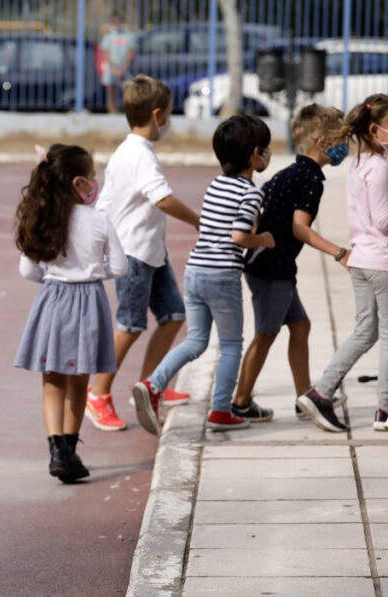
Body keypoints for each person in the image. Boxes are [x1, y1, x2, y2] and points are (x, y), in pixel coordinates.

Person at [133, 114, 276, 435]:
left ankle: (153, 384)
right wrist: (263, 240)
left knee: (196, 340)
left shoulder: (215, 184)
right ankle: (221, 411)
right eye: (265, 149)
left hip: (195, 271)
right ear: (255, 154)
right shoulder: (252, 193)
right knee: (230, 345)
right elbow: (239, 236)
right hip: (222, 275)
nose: (268, 155)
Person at [87, 75, 200, 432]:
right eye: (168, 114)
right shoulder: (138, 154)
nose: (169, 121)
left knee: (173, 314)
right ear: (156, 115)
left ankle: (152, 386)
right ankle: (97, 393)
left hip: (152, 252)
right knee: (130, 325)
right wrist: (200, 221)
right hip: (133, 253)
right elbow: (162, 198)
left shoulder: (130, 152)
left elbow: (106, 200)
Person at [14, 143, 128, 482]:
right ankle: (70, 448)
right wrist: (93, 272)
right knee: (79, 380)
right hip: (89, 300)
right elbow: (119, 267)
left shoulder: (44, 218)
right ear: (80, 183)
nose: (96, 182)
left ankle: (56, 451)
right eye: (93, 176)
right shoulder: (98, 221)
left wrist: (53, 277)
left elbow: (27, 270)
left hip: (52, 300)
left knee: (52, 381)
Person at [232, 104, 350, 429]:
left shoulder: (289, 173)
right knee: (265, 335)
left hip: (270, 266)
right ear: (322, 142)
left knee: (300, 326)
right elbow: (300, 227)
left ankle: (305, 398)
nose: (345, 148)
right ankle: (240, 403)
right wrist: (338, 252)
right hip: (273, 269)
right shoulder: (311, 180)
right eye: (341, 140)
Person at [298, 94, 388, 433]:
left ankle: (321, 392)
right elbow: (382, 220)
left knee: (365, 332)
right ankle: (385, 410)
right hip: (381, 262)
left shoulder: (360, 164)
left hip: (363, 261)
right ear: (375, 129)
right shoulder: (379, 169)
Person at [99, 11, 136, 114]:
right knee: (111, 92)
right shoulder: (108, 37)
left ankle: (127, 112)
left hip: (125, 69)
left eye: (117, 20)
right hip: (112, 69)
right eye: (113, 20)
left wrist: (124, 67)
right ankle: (112, 113)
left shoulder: (128, 36)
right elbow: (105, 53)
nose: (115, 23)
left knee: (127, 91)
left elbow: (131, 52)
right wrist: (113, 68)